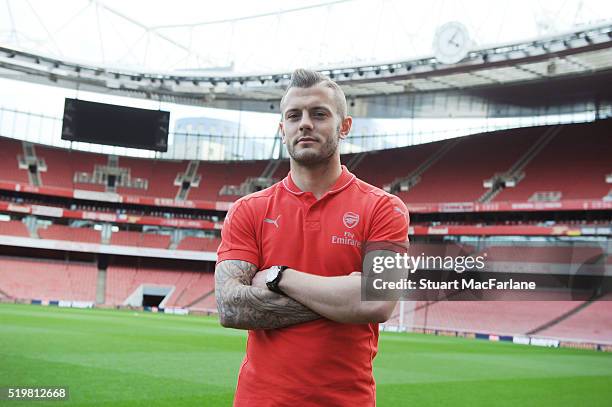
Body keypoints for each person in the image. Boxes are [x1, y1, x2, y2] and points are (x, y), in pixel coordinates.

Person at [215, 68, 409, 406]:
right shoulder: (248, 209)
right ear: (282, 129)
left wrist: (280, 277)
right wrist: (344, 298)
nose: (305, 123)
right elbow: (231, 307)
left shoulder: (385, 208)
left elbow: (378, 302)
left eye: (319, 114)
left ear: (344, 126)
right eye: (294, 115)